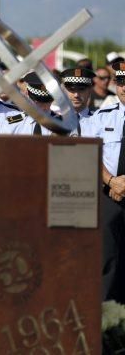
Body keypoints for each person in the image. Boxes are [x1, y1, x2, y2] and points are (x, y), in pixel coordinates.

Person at [87, 59, 125, 303]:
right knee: (107, 261)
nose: (124, 88)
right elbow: (88, 153)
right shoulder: (102, 117)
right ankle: (107, 322)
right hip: (109, 198)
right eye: (120, 82)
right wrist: (111, 181)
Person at [60, 67, 95, 136]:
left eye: (81, 89)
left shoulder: (100, 120)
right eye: (72, 89)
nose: (76, 95)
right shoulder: (54, 121)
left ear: (90, 91)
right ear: (63, 91)